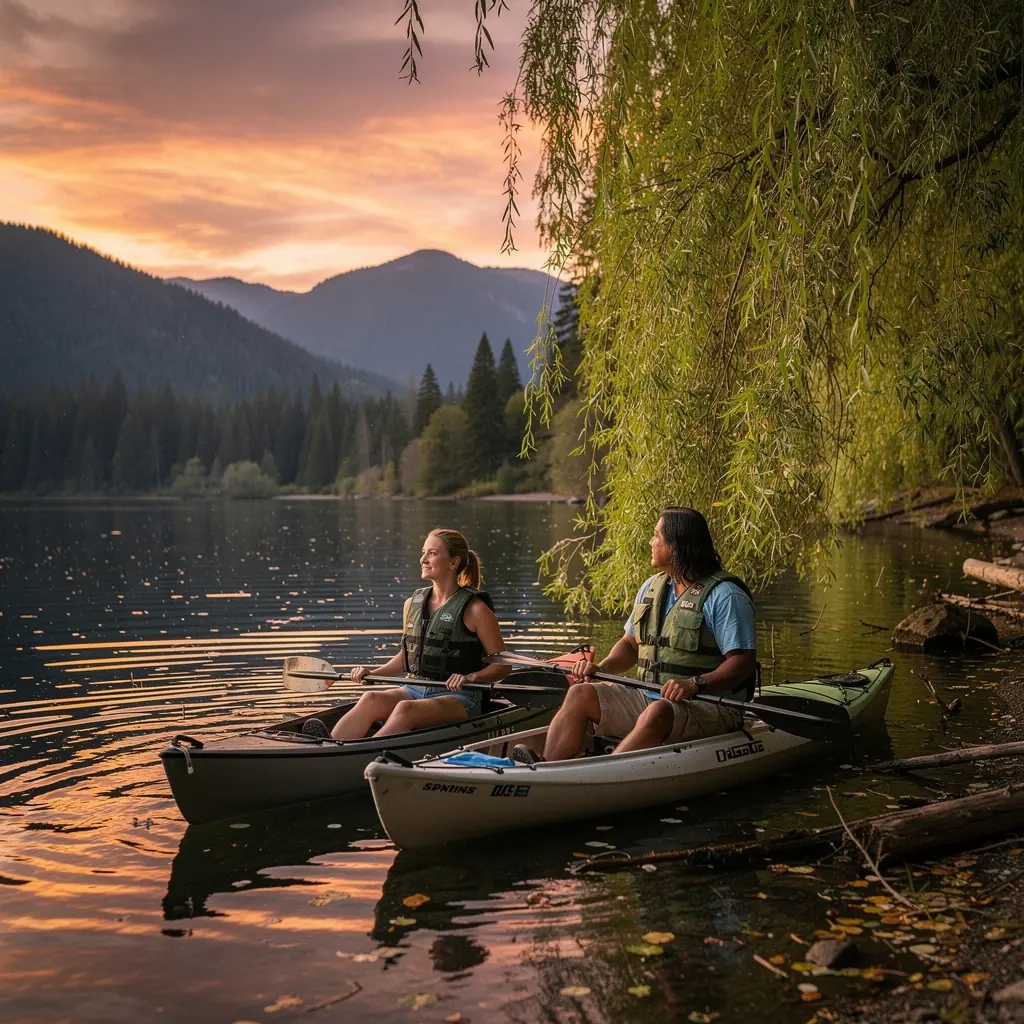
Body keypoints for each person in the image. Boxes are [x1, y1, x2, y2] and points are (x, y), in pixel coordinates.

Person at [513, 507, 756, 763]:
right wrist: (602, 667)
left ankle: (604, 776)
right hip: (649, 696)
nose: (651, 542)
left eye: (656, 536)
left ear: (675, 546)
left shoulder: (725, 595)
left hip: (710, 704)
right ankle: (545, 768)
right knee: (580, 694)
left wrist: (694, 684)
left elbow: (742, 663)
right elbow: (630, 645)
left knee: (657, 712)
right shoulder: (651, 588)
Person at [321, 529, 510, 740]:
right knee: (370, 698)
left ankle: (360, 757)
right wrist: (372, 674)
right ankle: (326, 746)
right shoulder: (412, 604)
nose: (423, 559)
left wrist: (471, 677)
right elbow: (407, 658)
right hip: (414, 688)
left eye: (433, 553)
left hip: (461, 697)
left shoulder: (476, 610)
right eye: (423, 552)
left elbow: (502, 665)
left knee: (405, 710)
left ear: (454, 562)